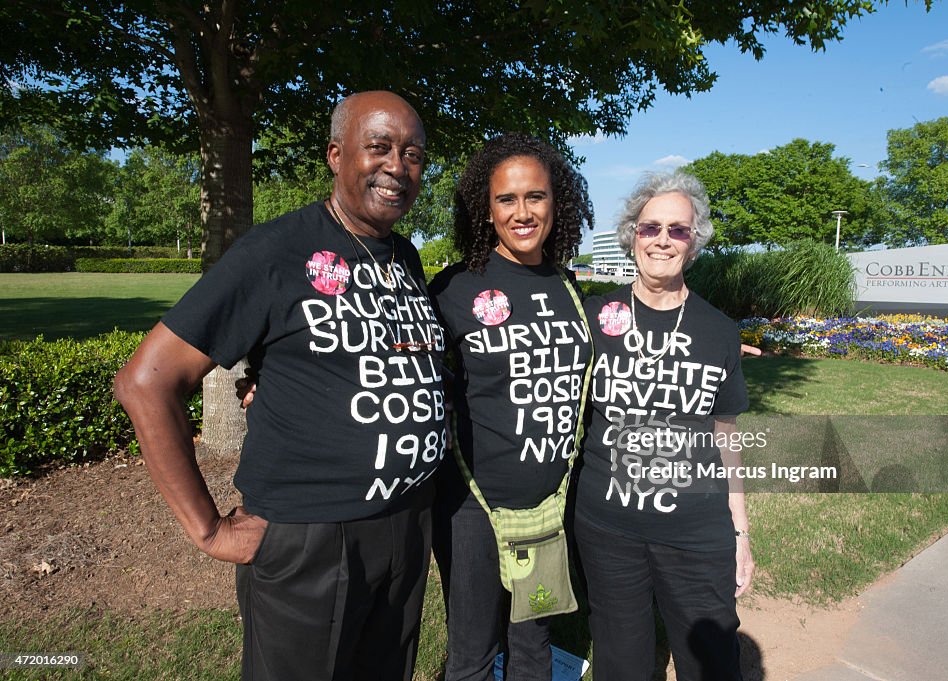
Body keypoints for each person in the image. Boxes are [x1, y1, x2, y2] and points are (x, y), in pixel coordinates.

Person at [113, 91, 447, 681]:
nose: (398, 166)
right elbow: (147, 381)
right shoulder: (276, 251)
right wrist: (208, 529)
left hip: (403, 527)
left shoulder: (406, 258)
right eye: (379, 147)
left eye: (414, 154)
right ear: (335, 154)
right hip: (311, 539)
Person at [572, 172, 754, 681]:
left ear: (694, 242)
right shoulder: (591, 316)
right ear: (632, 233)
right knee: (621, 661)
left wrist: (740, 532)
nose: (663, 240)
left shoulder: (718, 331)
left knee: (712, 663)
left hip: (695, 531)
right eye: (651, 227)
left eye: (678, 230)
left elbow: (726, 438)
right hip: (606, 529)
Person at [428, 133, 594, 681]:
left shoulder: (569, 288)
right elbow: (381, 350)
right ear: (486, 208)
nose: (522, 213)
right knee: (473, 654)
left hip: (549, 505)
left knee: (532, 644)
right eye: (506, 199)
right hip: (473, 506)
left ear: (557, 203)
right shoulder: (452, 288)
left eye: (535, 197)